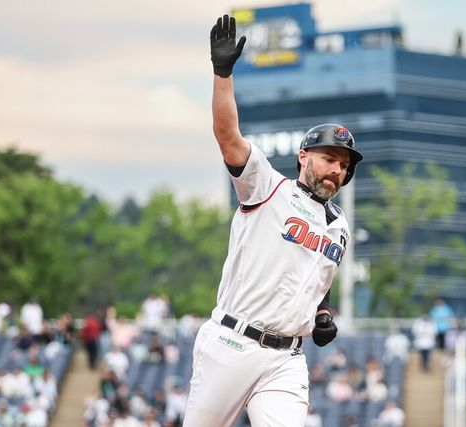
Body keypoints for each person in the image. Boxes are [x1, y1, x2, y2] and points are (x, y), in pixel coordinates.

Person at [182, 14, 364, 427]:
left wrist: (322, 314)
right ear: (304, 156)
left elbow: (316, 280)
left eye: (344, 165)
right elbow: (228, 137)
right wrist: (223, 74)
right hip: (233, 342)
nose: (337, 169)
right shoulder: (267, 186)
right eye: (329, 158)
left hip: (286, 359)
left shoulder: (339, 226)